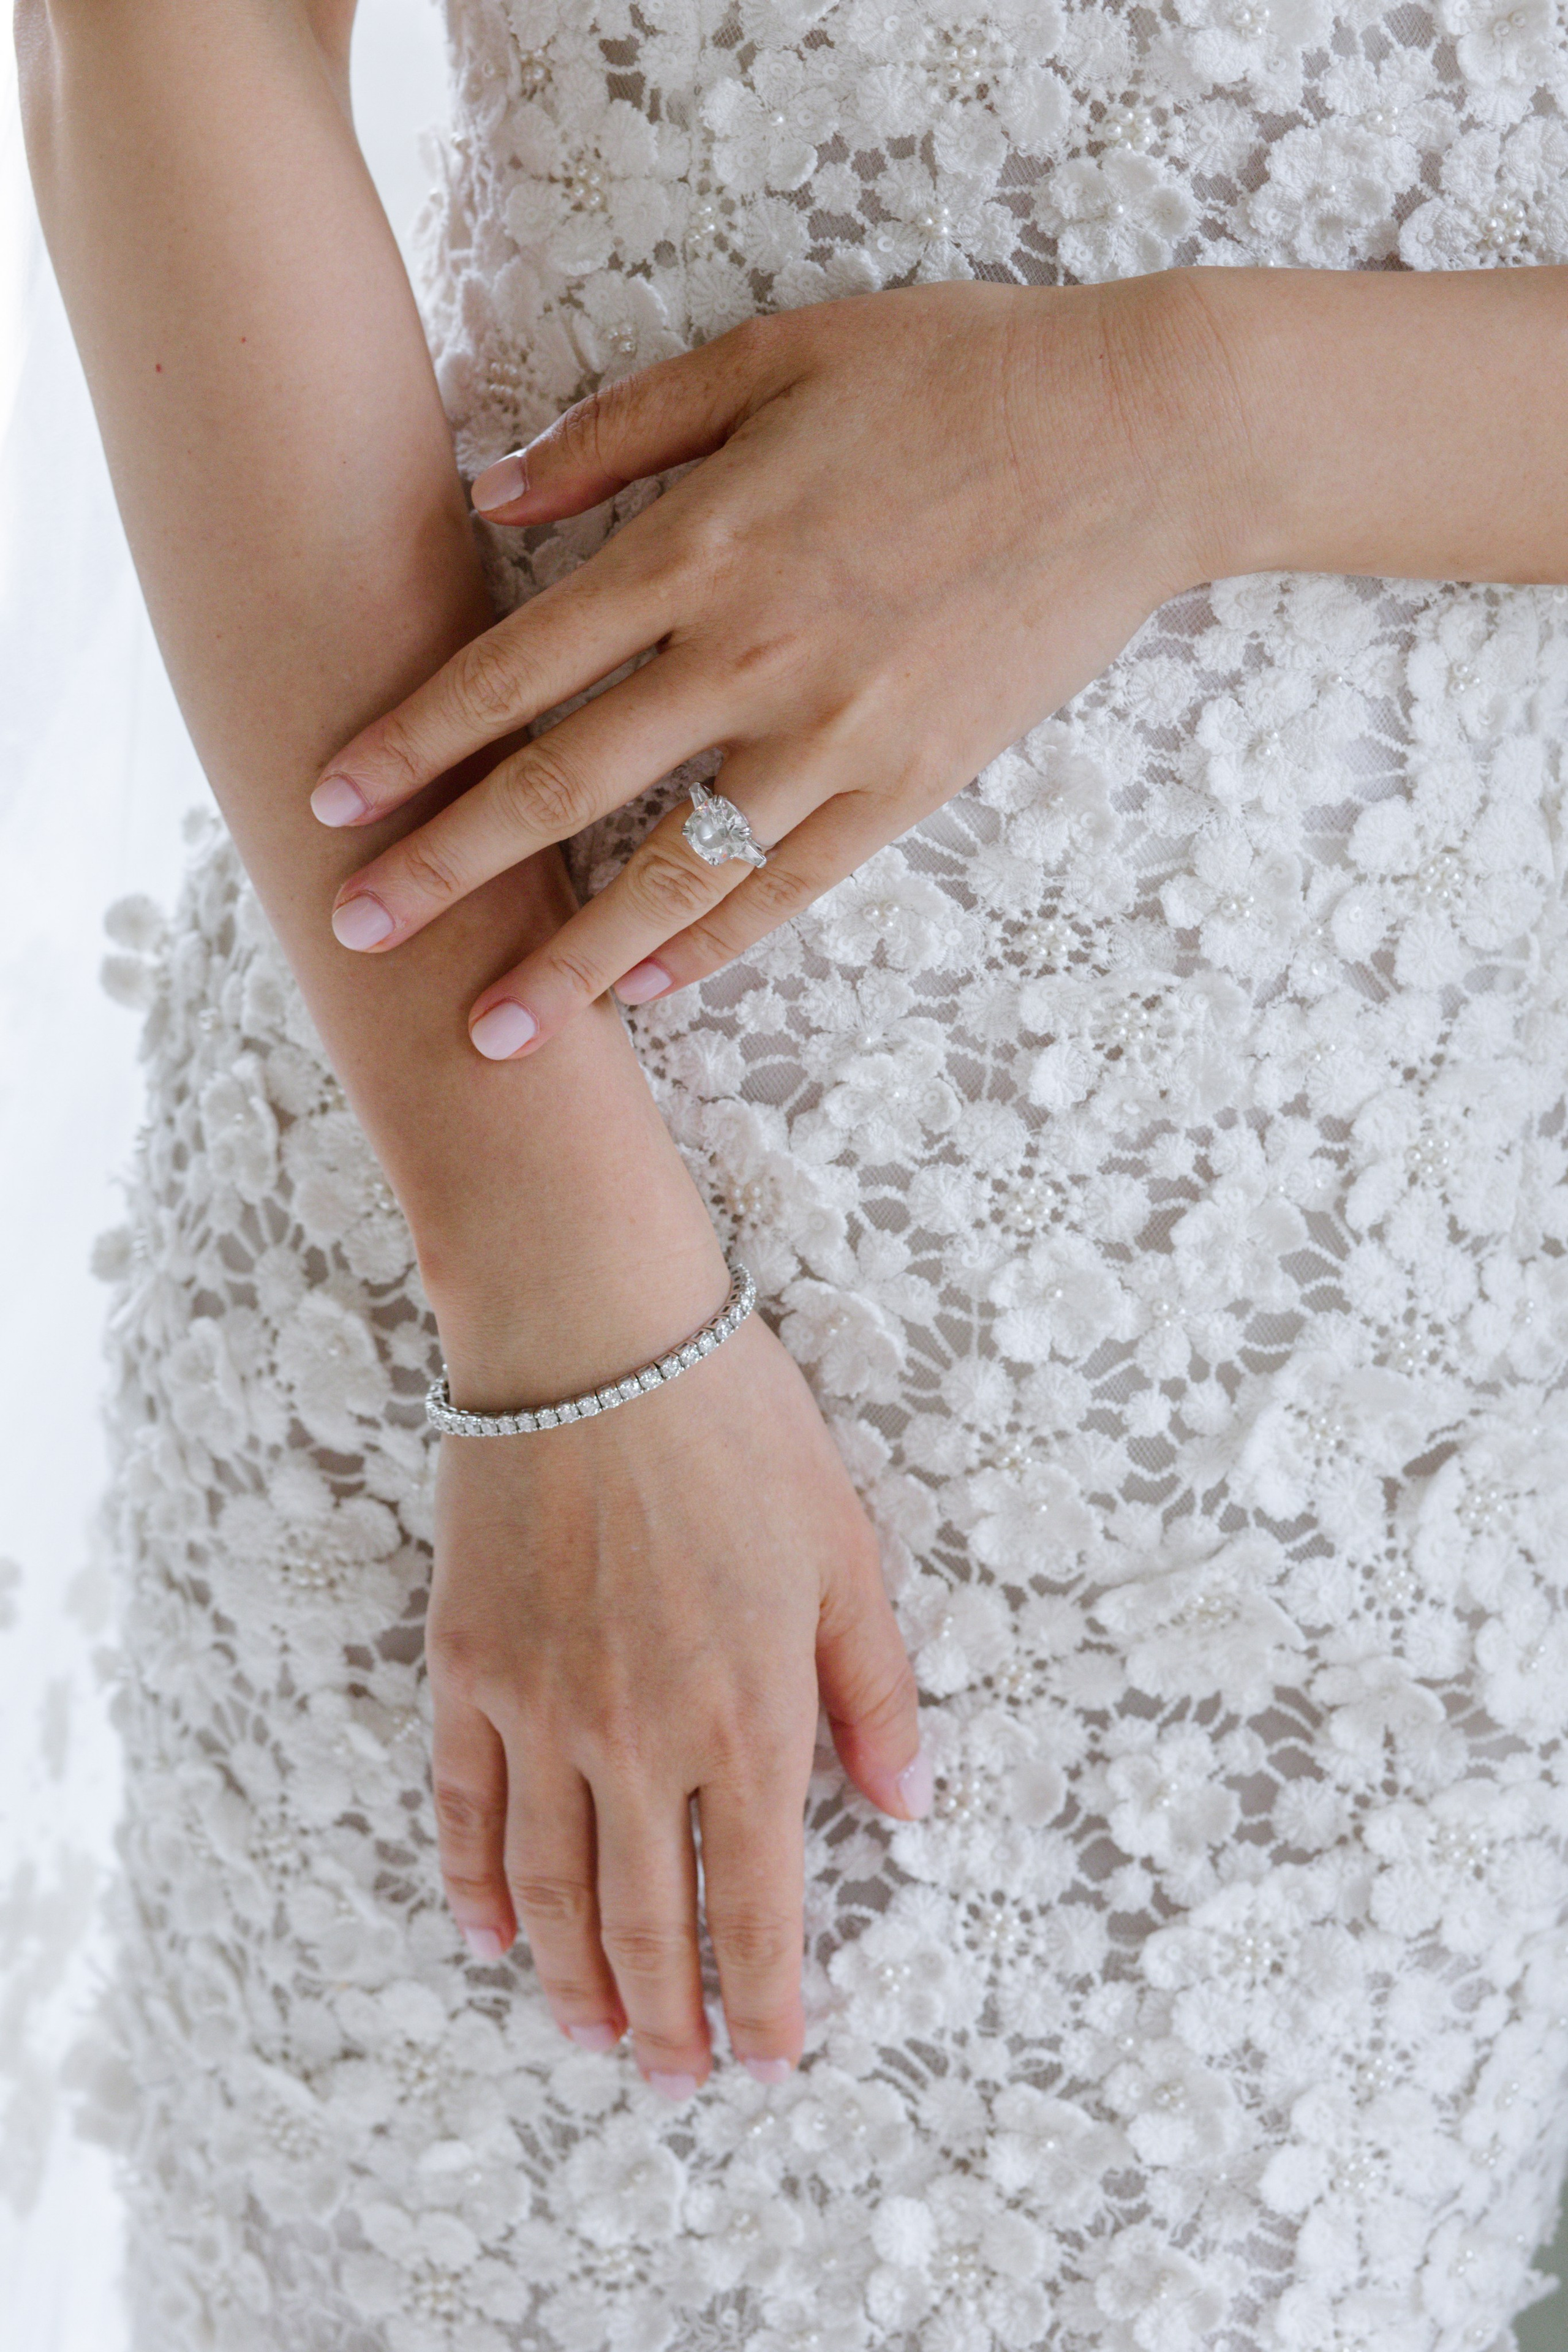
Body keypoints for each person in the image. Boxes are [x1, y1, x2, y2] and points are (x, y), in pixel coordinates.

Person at [18, 0, 1568, 2344]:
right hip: (515, 1255)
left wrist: (1179, 422)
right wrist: (563, 1308)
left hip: (1376, 1444)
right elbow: (167, 43)